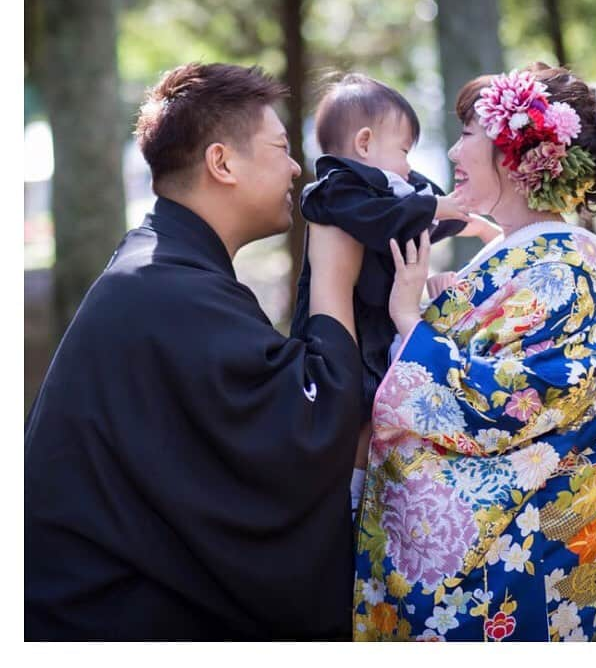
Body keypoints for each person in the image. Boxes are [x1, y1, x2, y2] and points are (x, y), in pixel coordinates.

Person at [25, 62, 373, 640]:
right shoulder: (165, 287)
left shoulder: (161, 268)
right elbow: (306, 429)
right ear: (222, 162)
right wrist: (334, 275)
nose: (295, 167)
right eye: (281, 147)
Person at [352, 64, 596, 642]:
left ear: (517, 157)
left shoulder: (551, 276)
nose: (451, 148)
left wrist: (406, 320)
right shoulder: (525, 266)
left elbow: (498, 407)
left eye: (469, 132)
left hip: (491, 580)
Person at [289, 74, 497, 516]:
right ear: (364, 144)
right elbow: (385, 219)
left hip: (375, 326)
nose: (408, 166)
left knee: (377, 413)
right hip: (340, 335)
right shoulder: (334, 189)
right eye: (404, 151)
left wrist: (466, 220)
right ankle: (345, 501)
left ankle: (365, 498)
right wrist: (433, 207)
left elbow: (410, 216)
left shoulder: (387, 191)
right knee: (353, 415)